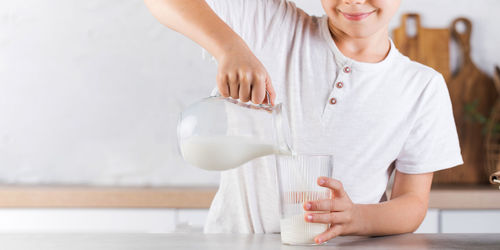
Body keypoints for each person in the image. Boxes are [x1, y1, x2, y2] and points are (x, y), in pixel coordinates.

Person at [144, 0, 463, 244]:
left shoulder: (422, 87)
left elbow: (413, 203)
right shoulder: (270, 24)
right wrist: (229, 45)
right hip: (234, 242)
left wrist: (358, 217)